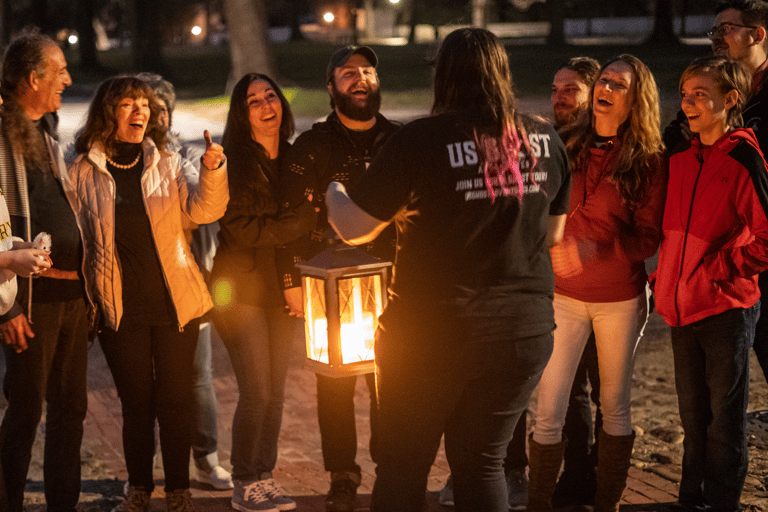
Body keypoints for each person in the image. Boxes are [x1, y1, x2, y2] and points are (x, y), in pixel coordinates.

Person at [325, 28, 572, 512]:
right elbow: (554, 234)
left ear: (445, 75)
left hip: (431, 333)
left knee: (402, 464)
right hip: (521, 332)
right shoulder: (544, 138)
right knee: (482, 462)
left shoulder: (423, 139)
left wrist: (335, 190)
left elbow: (355, 229)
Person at [438, 54, 601, 511]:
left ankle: (578, 478)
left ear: (593, 93)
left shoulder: (589, 145)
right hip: (538, 282)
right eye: (555, 89)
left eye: (571, 90)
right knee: (520, 390)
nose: (560, 98)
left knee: (576, 391)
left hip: (586, 283)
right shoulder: (540, 139)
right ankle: (509, 470)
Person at [64, 75, 228, 512]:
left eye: (145, 104)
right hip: (120, 308)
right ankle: (139, 489)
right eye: (127, 104)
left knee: (175, 400)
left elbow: (204, 210)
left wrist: (213, 170)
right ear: (107, 113)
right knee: (137, 404)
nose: (140, 111)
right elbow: (73, 235)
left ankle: (178, 491)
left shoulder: (169, 163)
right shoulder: (82, 170)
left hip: (176, 302)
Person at [528, 54, 666, 512]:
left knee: (615, 405)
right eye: (604, 79)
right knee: (547, 410)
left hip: (619, 300)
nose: (606, 88)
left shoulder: (647, 159)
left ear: (635, 100)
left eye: (618, 84)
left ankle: (606, 504)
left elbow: (648, 239)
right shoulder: (568, 143)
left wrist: (596, 246)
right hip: (564, 297)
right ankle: (538, 503)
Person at [277, 45, 400, 512]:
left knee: (390, 382)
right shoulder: (311, 147)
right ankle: (342, 475)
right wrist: (291, 280)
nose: (360, 79)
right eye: (348, 73)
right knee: (334, 387)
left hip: (392, 284)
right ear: (331, 88)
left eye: (367, 71)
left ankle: (391, 467)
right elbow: (289, 218)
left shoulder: (401, 141)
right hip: (328, 286)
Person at [651, 56, 768, 512]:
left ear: (730, 100)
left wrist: (721, 267)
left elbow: (765, 238)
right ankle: (689, 498)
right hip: (682, 309)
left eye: (701, 95)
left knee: (724, 420)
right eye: (684, 94)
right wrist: (668, 274)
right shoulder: (681, 155)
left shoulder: (744, 158)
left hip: (725, 310)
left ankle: (722, 502)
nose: (689, 103)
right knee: (692, 415)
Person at [209, 73, 315, 512]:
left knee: (276, 390)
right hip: (239, 289)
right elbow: (241, 229)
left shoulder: (292, 158)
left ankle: (263, 476)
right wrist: (297, 223)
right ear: (241, 114)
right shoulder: (232, 160)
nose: (266, 104)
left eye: (271, 95)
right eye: (253, 100)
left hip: (281, 290)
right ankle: (244, 480)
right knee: (256, 390)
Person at [0, 31, 91, 512]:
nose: (68, 80)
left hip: (71, 297)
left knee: (71, 410)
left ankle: (64, 503)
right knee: (25, 412)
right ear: (33, 78)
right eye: (59, 72)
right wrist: (7, 307)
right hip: (30, 302)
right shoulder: (0, 135)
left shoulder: (43, 133)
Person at [138, 72, 233, 491]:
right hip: (137, 289)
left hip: (189, 281)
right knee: (144, 385)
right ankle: (146, 466)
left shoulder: (187, 158)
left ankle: (206, 458)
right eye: (143, 105)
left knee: (196, 376)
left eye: (160, 107)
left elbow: (200, 212)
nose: (152, 114)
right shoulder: (112, 159)